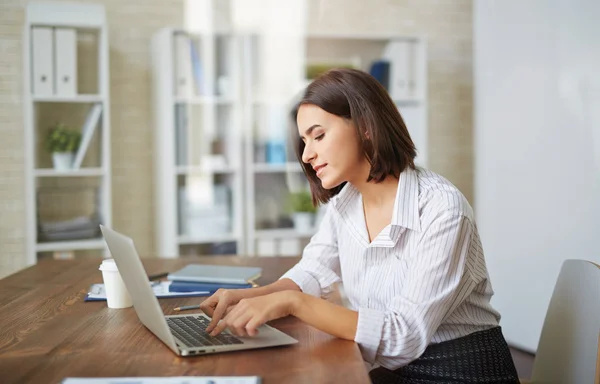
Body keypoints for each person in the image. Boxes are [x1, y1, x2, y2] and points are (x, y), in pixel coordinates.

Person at [200, 68, 519, 383]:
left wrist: (293, 303)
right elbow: (313, 270)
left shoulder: (442, 208)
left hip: (460, 373)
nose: (308, 154)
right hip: (393, 370)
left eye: (319, 135)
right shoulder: (346, 201)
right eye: (304, 141)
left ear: (366, 127)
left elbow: (402, 337)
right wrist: (251, 298)